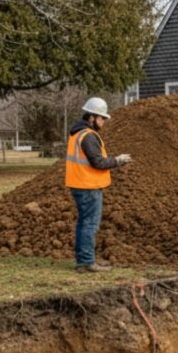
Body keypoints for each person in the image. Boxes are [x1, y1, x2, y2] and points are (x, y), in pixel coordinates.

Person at [65, 97, 132, 273]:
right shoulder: (88, 136)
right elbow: (98, 162)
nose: (103, 122)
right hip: (88, 186)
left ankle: (83, 261)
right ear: (92, 117)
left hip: (79, 184)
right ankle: (87, 262)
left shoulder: (77, 134)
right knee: (90, 224)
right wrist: (118, 161)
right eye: (102, 118)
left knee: (83, 223)